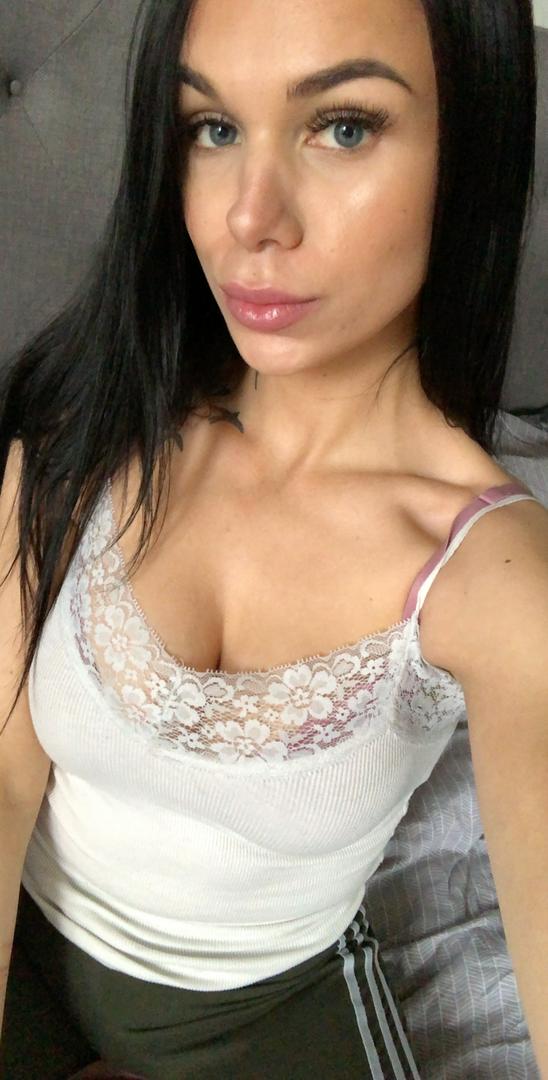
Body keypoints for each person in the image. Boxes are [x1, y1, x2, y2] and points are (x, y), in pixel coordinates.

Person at [0, 0, 546, 1077]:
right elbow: (4, 780)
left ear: (470, 147)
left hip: (264, 1010)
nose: (248, 219)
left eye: (341, 126)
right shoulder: (86, 425)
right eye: (211, 128)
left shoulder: (493, 578)